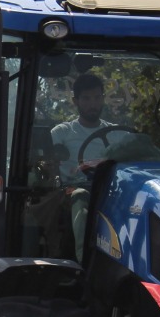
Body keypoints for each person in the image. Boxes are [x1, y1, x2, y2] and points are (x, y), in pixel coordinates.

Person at [48, 74, 116, 254]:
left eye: (97, 98)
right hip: (72, 190)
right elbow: (47, 165)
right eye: (86, 99)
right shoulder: (62, 133)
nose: (93, 104)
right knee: (80, 196)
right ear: (75, 101)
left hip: (109, 189)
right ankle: (83, 258)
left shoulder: (117, 134)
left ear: (103, 98)